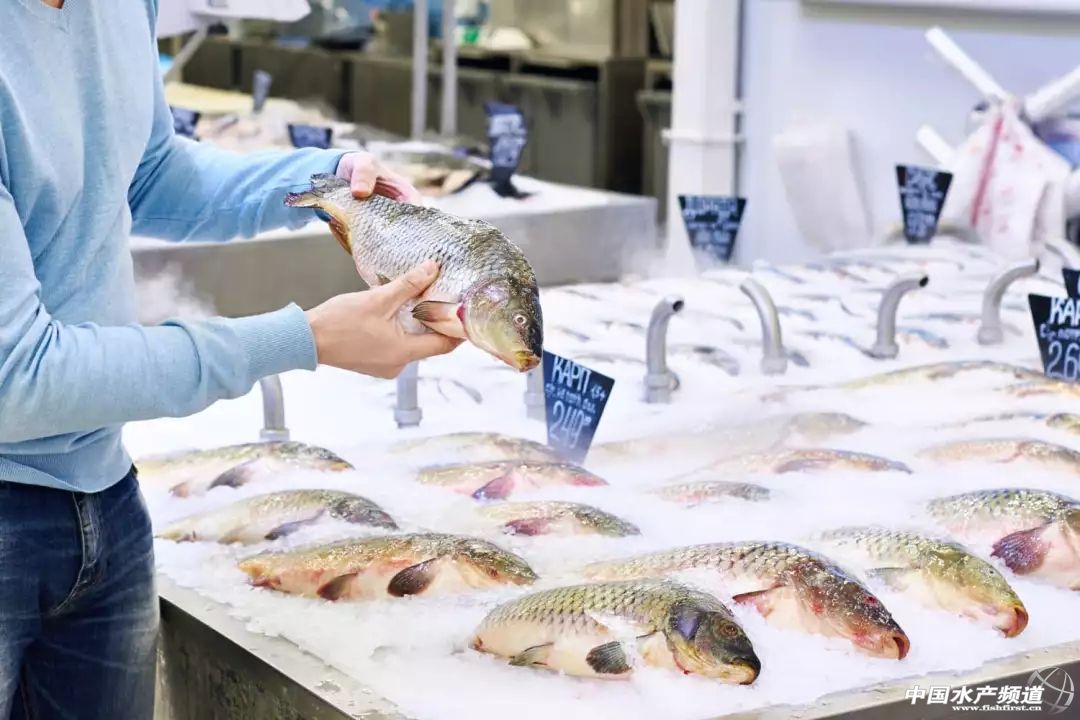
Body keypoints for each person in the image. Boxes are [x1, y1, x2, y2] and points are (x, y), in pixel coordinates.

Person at [0, 2, 463, 718]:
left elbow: (147, 172)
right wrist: (305, 339)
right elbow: (20, 378)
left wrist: (323, 183)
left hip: (107, 497)